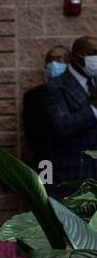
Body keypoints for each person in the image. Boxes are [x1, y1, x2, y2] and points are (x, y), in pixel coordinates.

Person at [34, 36, 97, 198]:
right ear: (76, 57)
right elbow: (61, 125)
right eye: (93, 53)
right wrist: (93, 110)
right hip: (71, 178)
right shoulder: (54, 88)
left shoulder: (94, 83)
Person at [22, 44, 70, 165]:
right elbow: (32, 134)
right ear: (45, 65)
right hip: (46, 160)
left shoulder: (81, 93)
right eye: (50, 59)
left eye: (60, 59)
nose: (54, 64)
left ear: (70, 63)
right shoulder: (33, 96)